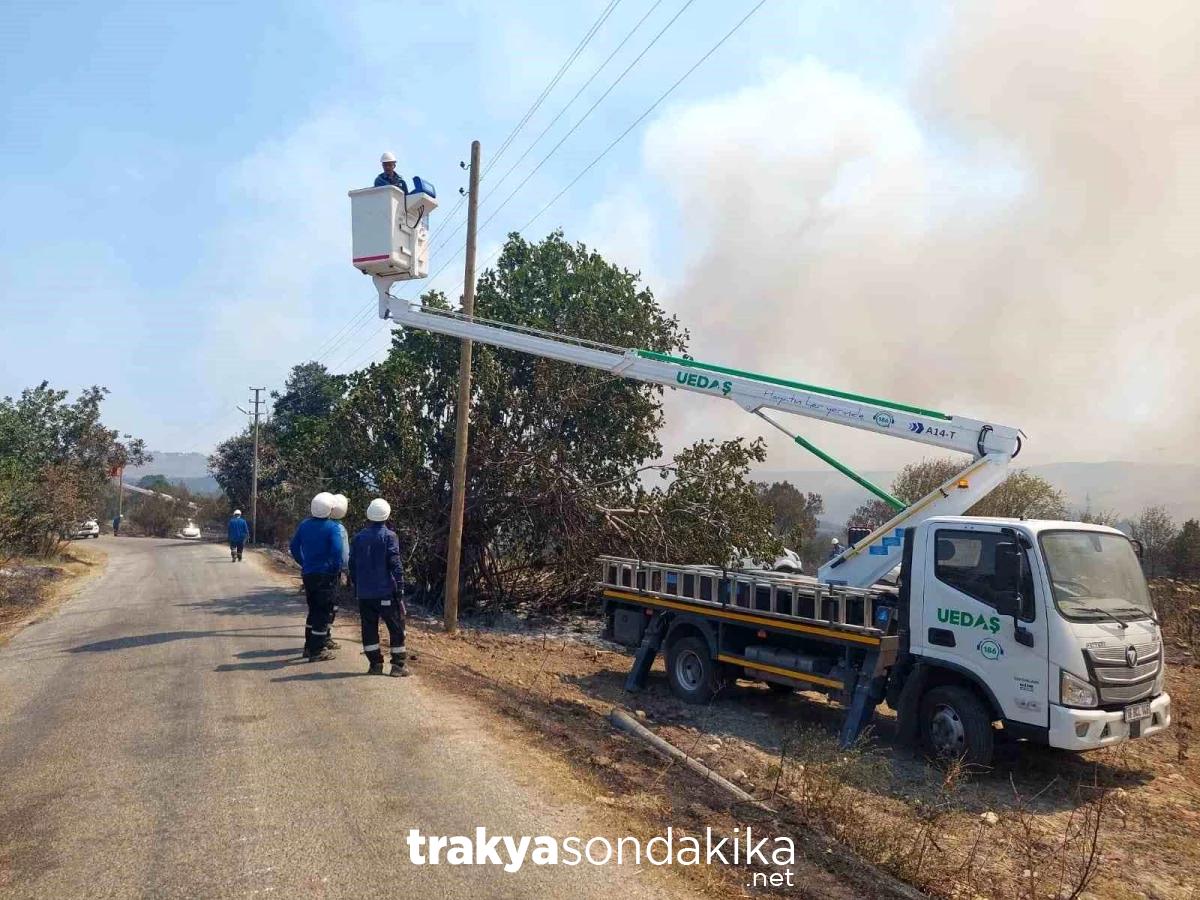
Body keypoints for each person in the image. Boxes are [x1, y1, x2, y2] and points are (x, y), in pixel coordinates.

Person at [349, 498, 410, 677]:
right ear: (387, 515)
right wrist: (400, 588)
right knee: (396, 626)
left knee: (369, 628)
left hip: (365, 594)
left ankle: (375, 664)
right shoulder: (390, 536)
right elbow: (395, 564)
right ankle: (398, 666)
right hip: (385, 593)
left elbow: (352, 564)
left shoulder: (359, 538)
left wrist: (357, 585)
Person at [289, 492, 346, 662]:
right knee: (323, 612)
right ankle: (317, 650)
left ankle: (308, 647)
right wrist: (335, 570)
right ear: (329, 509)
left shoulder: (304, 525)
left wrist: (304, 563)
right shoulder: (332, 527)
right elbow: (337, 553)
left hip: (309, 574)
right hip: (326, 575)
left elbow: (293, 547)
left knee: (313, 610)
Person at [324, 493, 351, 650]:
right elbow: (344, 554)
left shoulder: (320, 524)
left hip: (316, 571)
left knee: (317, 606)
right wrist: (347, 571)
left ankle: (316, 637)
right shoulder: (339, 529)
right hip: (332, 573)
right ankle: (325, 636)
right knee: (331, 606)